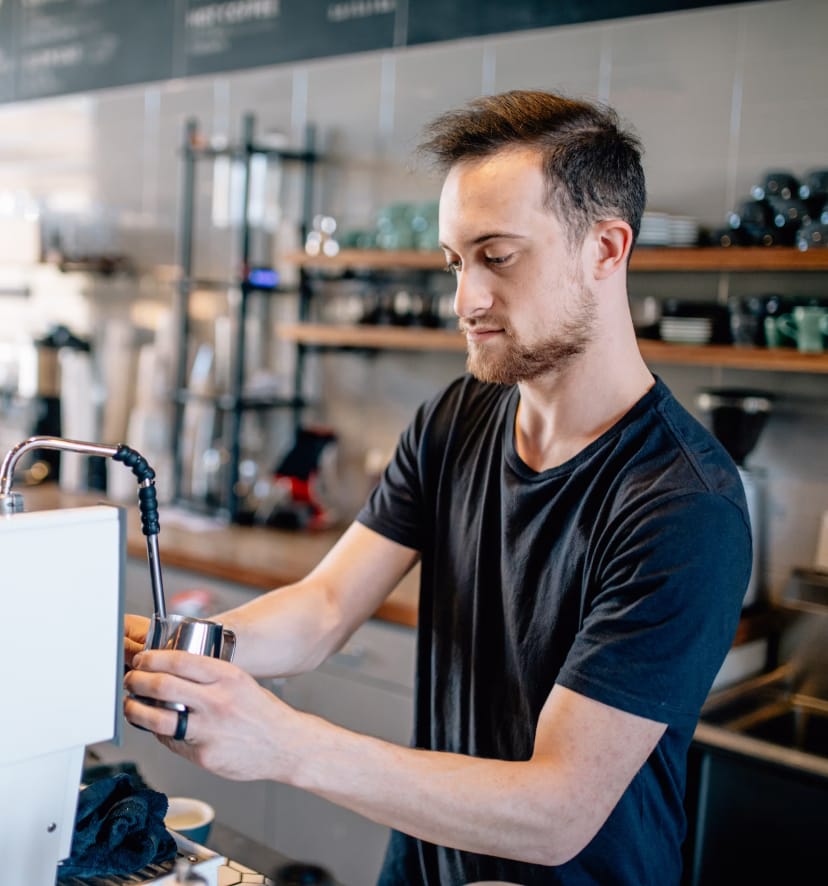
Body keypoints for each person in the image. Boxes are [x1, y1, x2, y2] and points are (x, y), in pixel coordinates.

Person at [123, 89, 752, 885]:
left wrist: (283, 743)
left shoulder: (683, 504)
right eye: (456, 262)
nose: (466, 302)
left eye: (499, 256)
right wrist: (179, 649)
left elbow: (556, 810)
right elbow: (322, 609)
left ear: (606, 248)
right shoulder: (458, 415)